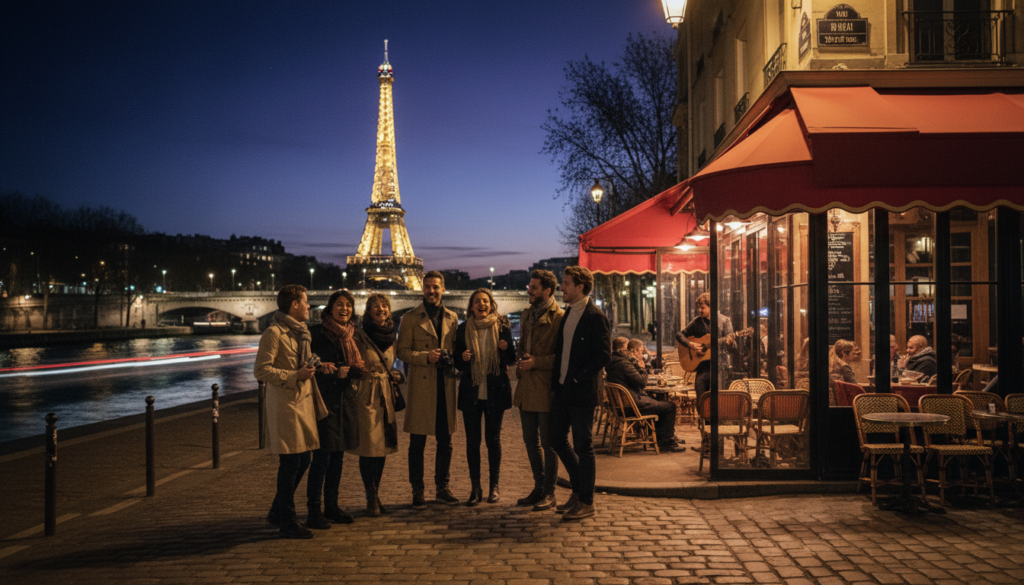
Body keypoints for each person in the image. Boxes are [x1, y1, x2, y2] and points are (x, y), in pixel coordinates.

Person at [254, 284, 327, 539]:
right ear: (294, 304)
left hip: (301, 402)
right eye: (306, 302)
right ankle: (287, 519)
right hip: (285, 404)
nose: (309, 306)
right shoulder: (274, 333)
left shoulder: (301, 333)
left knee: (303, 459)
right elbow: (261, 371)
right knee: (291, 462)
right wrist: (296, 375)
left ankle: (278, 510)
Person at [550, 266, 611, 521]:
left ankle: (586, 501)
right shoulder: (568, 313)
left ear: (580, 287)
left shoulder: (595, 316)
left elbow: (604, 355)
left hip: (582, 391)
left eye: (565, 283)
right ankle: (579, 489)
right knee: (555, 438)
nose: (561, 287)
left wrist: (577, 376)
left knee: (583, 446)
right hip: (565, 389)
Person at [397, 270, 460, 507]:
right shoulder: (410, 318)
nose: (431, 291)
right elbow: (401, 352)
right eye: (427, 287)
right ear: (422, 289)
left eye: (435, 287)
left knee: (445, 442)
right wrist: (426, 356)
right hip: (422, 387)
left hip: (445, 385)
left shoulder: (453, 317)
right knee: (418, 443)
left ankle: (442, 486)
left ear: (443, 289)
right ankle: (418, 489)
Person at [454, 288, 516, 506]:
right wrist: (461, 358)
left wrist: (506, 348)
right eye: (477, 301)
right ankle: (475, 488)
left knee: (493, 441)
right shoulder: (462, 330)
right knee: (473, 442)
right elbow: (456, 362)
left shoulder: (503, 328)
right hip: (471, 392)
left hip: (495, 392)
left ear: (491, 305)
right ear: (471, 306)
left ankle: (494, 487)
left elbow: (511, 360)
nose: (482, 304)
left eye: (486, 301)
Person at [306, 290, 361, 529]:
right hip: (324, 399)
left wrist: (357, 371)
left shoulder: (351, 335)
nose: (344, 309)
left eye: (348, 305)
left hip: (345, 399)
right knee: (322, 458)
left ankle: (332, 505)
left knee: (337, 457)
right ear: (330, 309)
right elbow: (309, 364)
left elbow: (354, 365)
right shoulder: (316, 334)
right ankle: (313, 510)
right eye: (339, 305)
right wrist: (332, 369)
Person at [514, 269, 564, 511]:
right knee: (529, 441)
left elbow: (564, 358)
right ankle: (539, 486)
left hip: (545, 388)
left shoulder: (560, 318)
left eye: (533, 287)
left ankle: (550, 492)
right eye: (529, 286)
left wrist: (537, 363)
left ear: (548, 291)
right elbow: (522, 344)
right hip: (527, 386)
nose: (528, 290)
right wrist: (520, 365)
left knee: (549, 443)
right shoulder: (526, 315)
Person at [350, 293, 401, 516]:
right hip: (367, 395)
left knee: (381, 449)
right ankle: (370, 495)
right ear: (368, 311)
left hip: (386, 396)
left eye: (384, 306)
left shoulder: (392, 337)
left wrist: (398, 375)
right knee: (369, 448)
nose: (381, 309)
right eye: (376, 306)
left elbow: (391, 366)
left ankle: (376, 493)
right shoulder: (359, 336)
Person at [606, 336, 681, 452]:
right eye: (628, 348)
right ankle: (666, 442)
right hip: (631, 406)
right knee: (670, 406)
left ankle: (660, 438)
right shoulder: (623, 363)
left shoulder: (613, 361)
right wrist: (641, 367)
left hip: (622, 406)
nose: (631, 351)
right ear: (621, 350)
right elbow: (641, 382)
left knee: (658, 402)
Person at [828, 339, 858, 406]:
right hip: (844, 403)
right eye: (853, 353)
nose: (855, 356)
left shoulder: (832, 365)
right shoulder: (844, 367)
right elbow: (855, 388)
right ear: (844, 353)